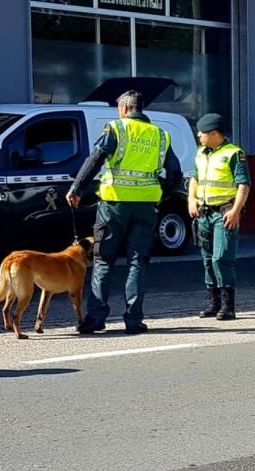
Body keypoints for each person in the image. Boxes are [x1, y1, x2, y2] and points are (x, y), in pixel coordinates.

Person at [65, 90, 182, 335]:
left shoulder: (116, 129)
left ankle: (96, 318)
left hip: (114, 205)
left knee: (103, 260)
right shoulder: (161, 135)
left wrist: (77, 188)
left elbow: (95, 159)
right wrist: (160, 192)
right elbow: (175, 174)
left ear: (125, 108)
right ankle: (134, 320)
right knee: (138, 263)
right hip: (145, 206)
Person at [188, 113, 250, 321]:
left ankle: (228, 306)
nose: (198, 135)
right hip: (204, 213)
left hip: (224, 213)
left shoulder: (234, 154)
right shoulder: (201, 153)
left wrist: (236, 211)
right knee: (207, 259)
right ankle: (213, 304)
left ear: (214, 134)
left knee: (221, 258)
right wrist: (191, 199)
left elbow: (244, 185)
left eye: (202, 133)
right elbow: (195, 178)